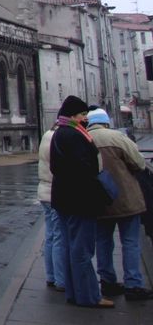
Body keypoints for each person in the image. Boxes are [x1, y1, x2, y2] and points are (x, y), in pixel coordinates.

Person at [49, 95, 114, 308]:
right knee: (82, 250)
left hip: (64, 198)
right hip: (80, 200)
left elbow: (56, 168)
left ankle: (74, 293)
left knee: (70, 248)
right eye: (83, 114)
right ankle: (88, 296)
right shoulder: (75, 135)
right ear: (73, 115)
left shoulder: (59, 133)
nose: (86, 118)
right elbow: (84, 169)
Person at [86, 107, 152, 301]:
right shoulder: (117, 138)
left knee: (103, 242)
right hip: (125, 198)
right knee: (130, 242)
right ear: (106, 122)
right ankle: (133, 284)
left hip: (98, 200)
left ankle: (107, 281)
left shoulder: (84, 139)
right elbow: (139, 163)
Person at [37, 126, 66, 291]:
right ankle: (60, 280)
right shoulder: (59, 138)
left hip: (44, 191)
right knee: (59, 237)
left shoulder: (46, 135)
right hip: (54, 192)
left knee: (50, 236)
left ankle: (51, 275)